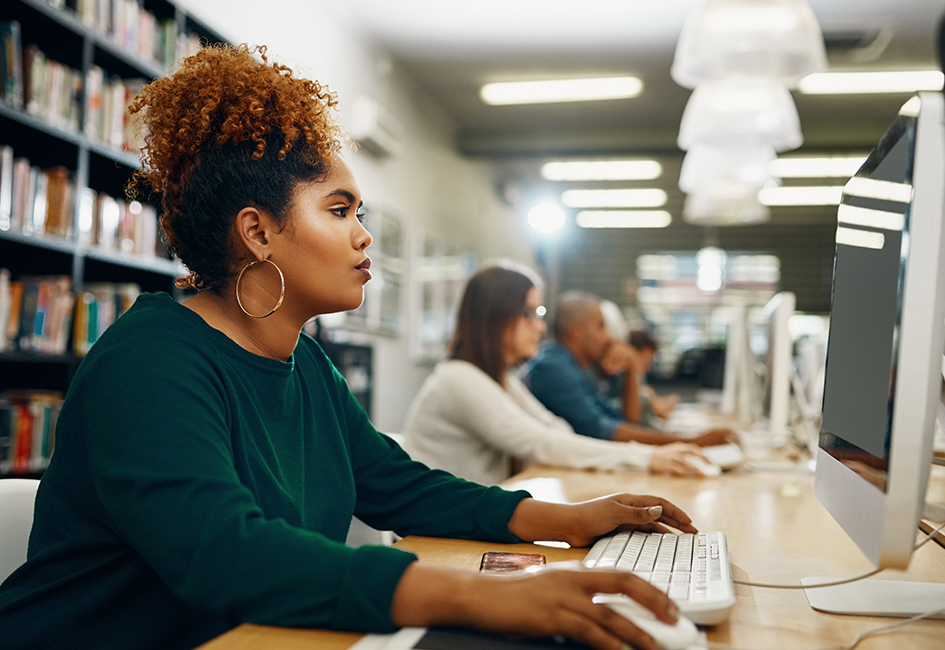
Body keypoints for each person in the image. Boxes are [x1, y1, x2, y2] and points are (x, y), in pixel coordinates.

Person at [0, 45, 695, 650]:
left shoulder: (305, 366)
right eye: (340, 210)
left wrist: (570, 521)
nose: (364, 235)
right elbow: (225, 557)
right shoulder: (149, 362)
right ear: (258, 231)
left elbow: (400, 487)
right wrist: (479, 596)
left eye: (358, 212)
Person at [402, 263, 711, 485]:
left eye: (540, 314)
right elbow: (539, 442)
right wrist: (647, 458)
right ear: (495, 317)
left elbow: (554, 428)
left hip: (469, 519)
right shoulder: (459, 379)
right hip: (433, 539)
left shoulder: (498, 377)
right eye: (529, 314)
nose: (540, 326)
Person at [522, 291, 736, 447]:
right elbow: (604, 431)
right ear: (576, 332)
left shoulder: (574, 366)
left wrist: (634, 365)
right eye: (600, 326)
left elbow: (623, 420)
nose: (609, 337)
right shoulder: (553, 366)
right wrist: (692, 441)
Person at [625, 329, 679, 425]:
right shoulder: (619, 377)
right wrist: (648, 399)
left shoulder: (640, 377)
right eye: (646, 362)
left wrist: (658, 402)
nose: (647, 369)